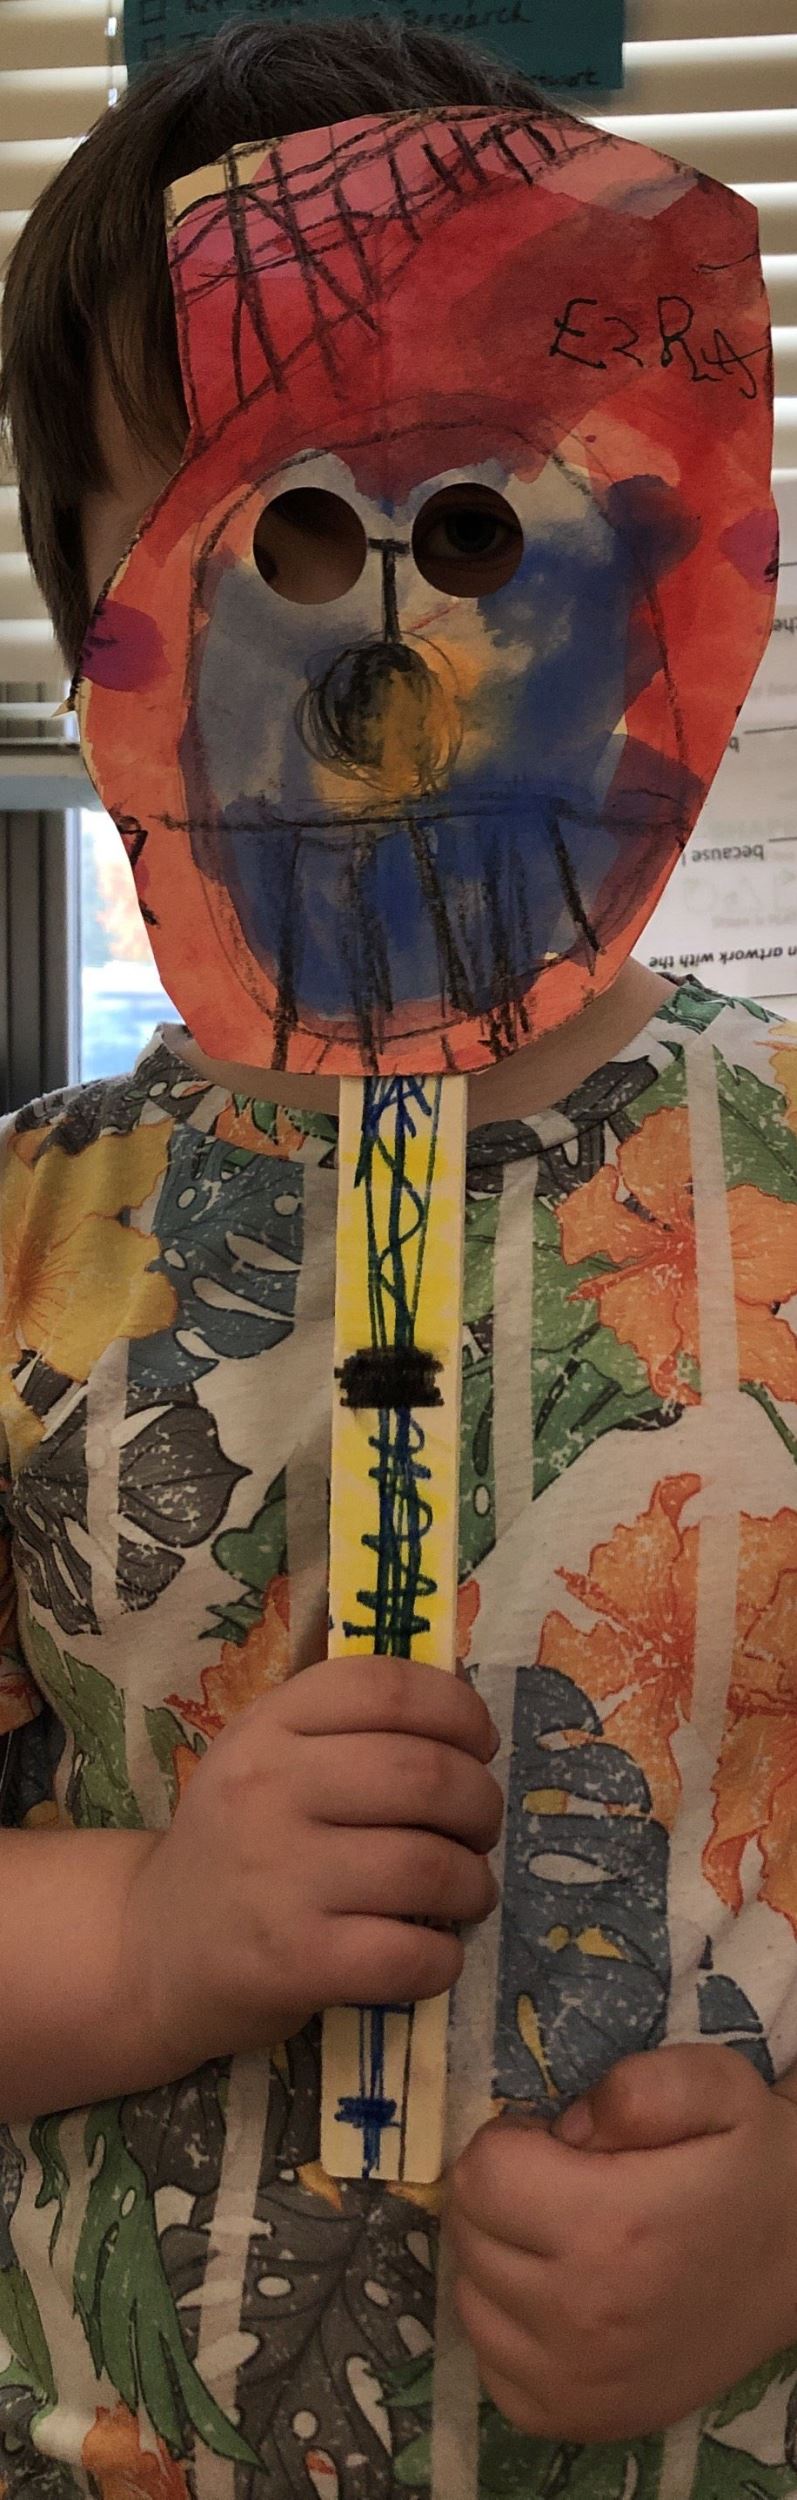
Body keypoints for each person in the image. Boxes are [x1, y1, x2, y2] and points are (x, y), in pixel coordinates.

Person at [1, 19, 797, 2499]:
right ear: (102, 618)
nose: (388, 626)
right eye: (274, 530)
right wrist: (149, 1934)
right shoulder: (27, 1241)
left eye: (472, 522)